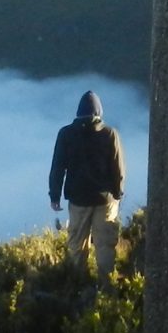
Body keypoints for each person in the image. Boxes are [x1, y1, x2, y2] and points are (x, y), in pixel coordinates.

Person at [49, 89, 125, 276]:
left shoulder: (66, 134)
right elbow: (118, 168)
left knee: (77, 244)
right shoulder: (110, 134)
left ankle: (78, 282)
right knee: (105, 244)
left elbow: (58, 167)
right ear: (99, 113)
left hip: (78, 199)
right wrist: (118, 193)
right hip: (105, 200)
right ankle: (106, 284)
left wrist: (55, 196)